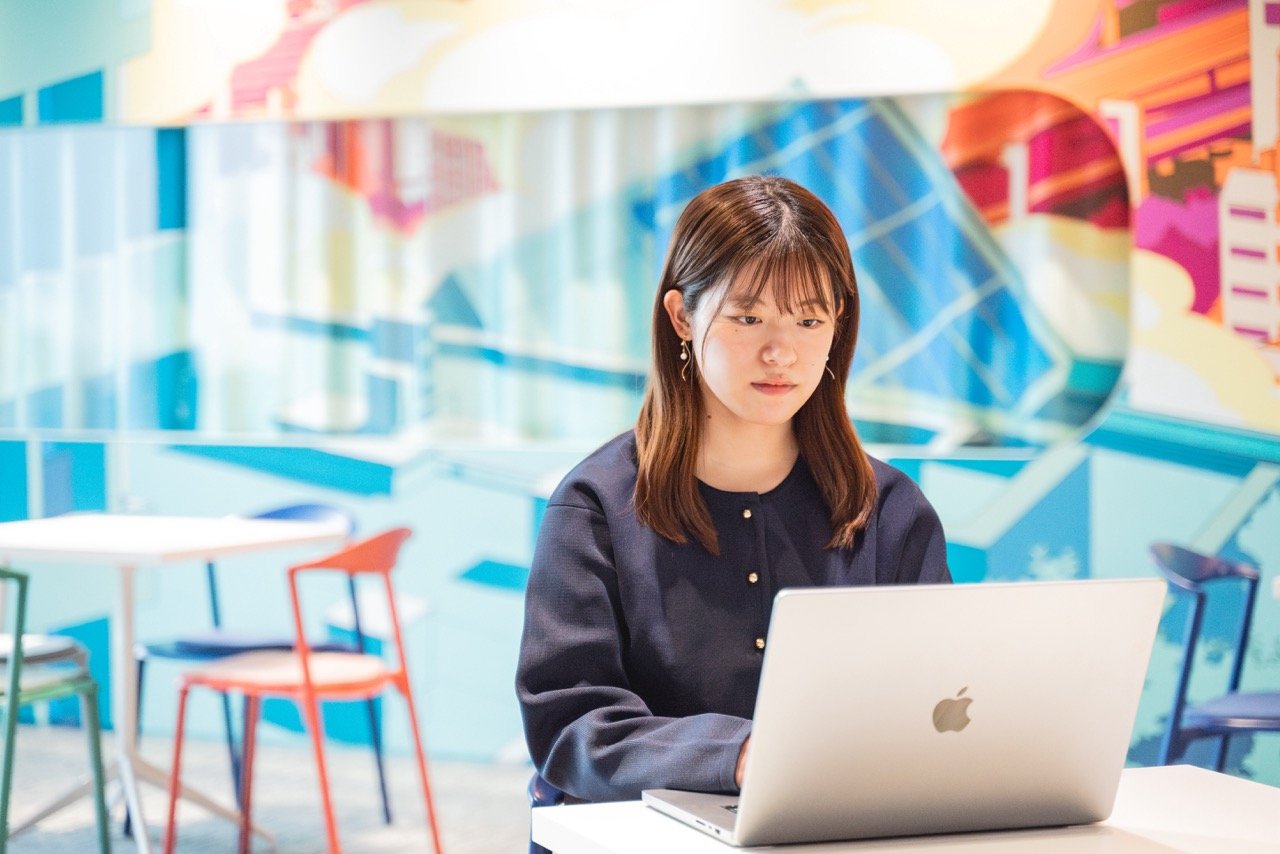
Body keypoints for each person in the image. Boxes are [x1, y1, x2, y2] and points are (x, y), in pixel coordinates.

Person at [516, 175, 951, 809]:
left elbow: (938, 698)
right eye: (749, 317)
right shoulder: (595, 507)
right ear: (682, 316)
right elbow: (572, 728)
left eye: (809, 320)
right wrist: (736, 756)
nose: (782, 353)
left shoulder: (888, 510)